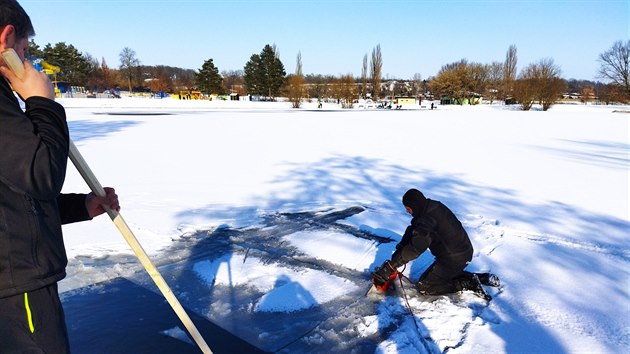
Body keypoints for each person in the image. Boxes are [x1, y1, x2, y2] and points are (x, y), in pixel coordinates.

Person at [0, 1, 120, 352]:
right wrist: (43, 103)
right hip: (16, 287)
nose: (26, 60)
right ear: (7, 38)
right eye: (24, 50)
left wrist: (81, 206)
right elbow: (41, 175)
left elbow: (15, 192)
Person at [371, 188, 499, 299]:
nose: (407, 212)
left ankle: (467, 283)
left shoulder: (426, 221)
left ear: (414, 206)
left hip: (454, 257)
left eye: (408, 208)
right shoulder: (431, 206)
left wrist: (392, 266)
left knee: (425, 287)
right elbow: (413, 230)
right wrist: (395, 258)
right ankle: (481, 278)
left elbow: (416, 248)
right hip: (463, 251)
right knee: (444, 273)